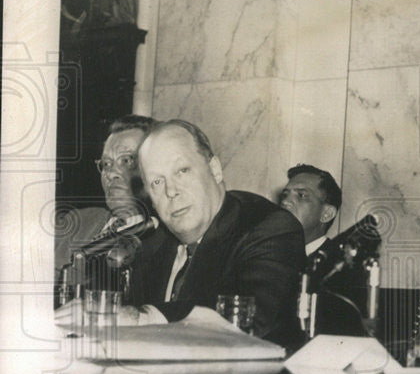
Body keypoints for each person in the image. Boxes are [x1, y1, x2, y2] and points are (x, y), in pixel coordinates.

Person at [57, 119, 304, 346]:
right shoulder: (151, 243)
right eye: (157, 182)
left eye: (182, 171)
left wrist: (139, 318)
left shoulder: (268, 227)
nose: (171, 191)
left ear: (215, 169)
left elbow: (246, 321)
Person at [54, 114, 157, 270]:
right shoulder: (76, 222)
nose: (111, 173)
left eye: (126, 160)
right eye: (107, 164)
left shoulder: (161, 241)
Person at [279, 164, 342, 258]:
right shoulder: (271, 254)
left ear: (327, 214)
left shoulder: (338, 261)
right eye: (285, 195)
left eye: (301, 195)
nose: (285, 202)